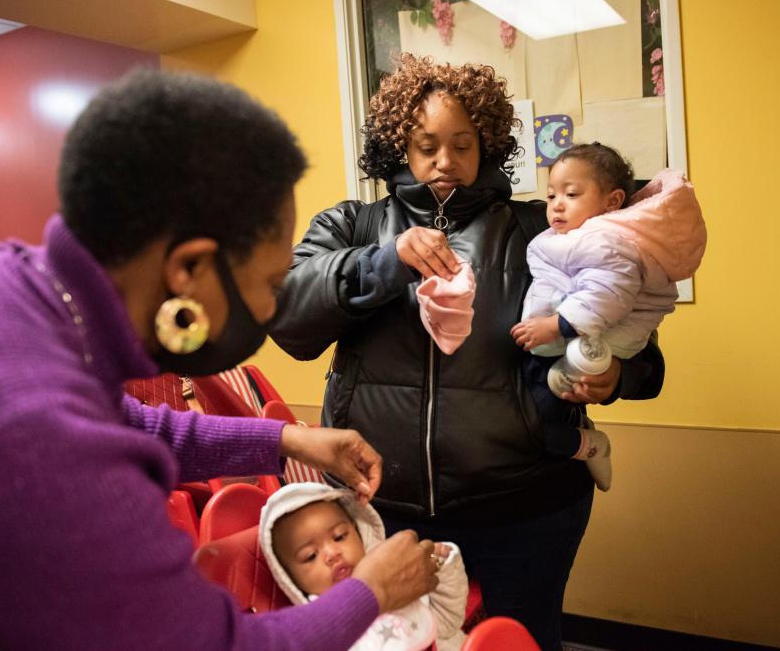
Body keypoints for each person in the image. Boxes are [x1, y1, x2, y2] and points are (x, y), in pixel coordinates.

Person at [0, 69, 441, 651]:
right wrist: (370, 591)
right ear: (189, 270)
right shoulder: (27, 428)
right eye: (270, 284)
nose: (273, 306)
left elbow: (129, 424)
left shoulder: (17, 287)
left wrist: (287, 441)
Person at [268, 53, 666, 651]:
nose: (445, 161)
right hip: (383, 507)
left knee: (520, 642)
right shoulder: (352, 225)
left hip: (528, 506)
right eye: (426, 144)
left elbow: (642, 349)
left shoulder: (546, 231)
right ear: (398, 146)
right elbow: (290, 323)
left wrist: (618, 375)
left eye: (463, 143)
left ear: (487, 144)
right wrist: (385, 260)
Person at [510, 144, 706, 492]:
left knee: (530, 425)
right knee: (530, 415)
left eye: (570, 194)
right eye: (552, 193)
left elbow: (607, 293)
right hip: (562, 343)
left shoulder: (606, 240)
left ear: (612, 201)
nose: (555, 203)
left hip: (580, 341)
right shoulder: (572, 237)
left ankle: (588, 446)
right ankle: (585, 443)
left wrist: (558, 325)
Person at [260, 482, 468, 651]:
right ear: (289, 579)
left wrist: (442, 567)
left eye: (340, 536)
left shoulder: (396, 577)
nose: (332, 554)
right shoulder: (316, 633)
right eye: (310, 556)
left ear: (360, 532)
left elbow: (448, 623)